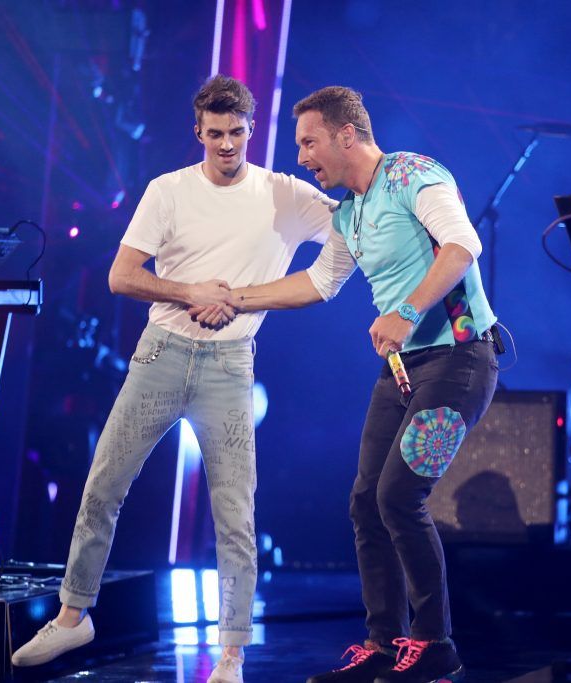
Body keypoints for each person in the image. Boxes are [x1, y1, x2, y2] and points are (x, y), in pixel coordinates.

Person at [11, 75, 338, 683]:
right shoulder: (168, 190)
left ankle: (231, 657)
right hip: (160, 353)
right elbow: (121, 276)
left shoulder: (286, 195)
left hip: (230, 362)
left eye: (236, 133)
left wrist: (240, 298)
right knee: (102, 485)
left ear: (250, 131)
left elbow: (353, 231)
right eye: (214, 134)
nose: (225, 145)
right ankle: (72, 617)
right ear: (199, 132)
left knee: (235, 516)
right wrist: (191, 289)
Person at [199, 86, 499, 683]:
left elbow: (464, 246)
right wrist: (234, 297)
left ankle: (435, 644)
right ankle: (384, 645)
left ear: (346, 135)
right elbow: (317, 282)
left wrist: (406, 312)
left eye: (309, 143)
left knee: (399, 497)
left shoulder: (414, 174)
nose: (303, 157)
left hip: (462, 362)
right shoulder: (351, 211)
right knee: (365, 501)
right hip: (403, 372)